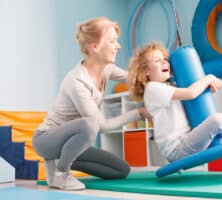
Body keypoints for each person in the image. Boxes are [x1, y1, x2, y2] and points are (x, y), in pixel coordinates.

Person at [32, 17, 150, 191]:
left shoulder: (106, 69)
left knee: (121, 170)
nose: (117, 46)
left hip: (70, 143)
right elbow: (102, 126)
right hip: (46, 140)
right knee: (91, 124)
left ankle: (62, 159)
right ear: (94, 46)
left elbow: (132, 78)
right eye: (112, 41)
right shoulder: (77, 81)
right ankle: (61, 173)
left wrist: (154, 76)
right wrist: (139, 112)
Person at [127, 42, 222, 163]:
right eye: (158, 60)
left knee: (217, 121)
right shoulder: (152, 89)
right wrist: (209, 78)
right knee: (216, 120)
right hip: (176, 148)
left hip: (185, 141)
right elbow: (191, 93)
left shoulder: (169, 87)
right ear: (146, 71)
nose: (165, 62)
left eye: (165, 59)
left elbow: (191, 92)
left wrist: (206, 85)